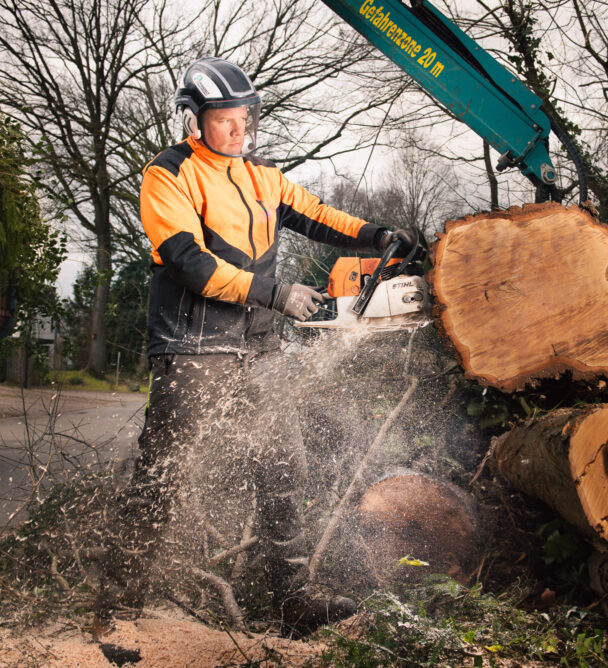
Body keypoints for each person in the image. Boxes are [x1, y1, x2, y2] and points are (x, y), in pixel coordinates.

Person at [94, 56, 414, 635]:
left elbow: (316, 215)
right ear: (194, 119)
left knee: (282, 468)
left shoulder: (262, 175)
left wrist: (376, 234)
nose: (240, 130)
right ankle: (116, 608)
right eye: (226, 120)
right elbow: (190, 264)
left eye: (245, 117)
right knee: (162, 475)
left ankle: (292, 601)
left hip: (257, 351)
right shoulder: (168, 175)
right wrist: (272, 292)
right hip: (193, 350)